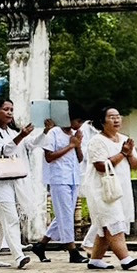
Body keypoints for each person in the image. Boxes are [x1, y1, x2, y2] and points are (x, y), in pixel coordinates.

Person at [79, 105, 137, 270]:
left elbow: (135, 164)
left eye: (118, 116)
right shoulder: (96, 141)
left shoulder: (124, 139)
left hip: (121, 189)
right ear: (102, 121)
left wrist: (128, 152)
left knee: (106, 225)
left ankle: (95, 259)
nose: (116, 119)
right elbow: (100, 166)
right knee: (113, 222)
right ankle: (125, 259)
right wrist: (123, 153)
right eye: (111, 117)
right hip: (102, 189)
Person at [0, 98, 35, 269]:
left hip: (13, 179)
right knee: (10, 219)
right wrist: (21, 136)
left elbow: (31, 145)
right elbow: (1, 151)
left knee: (0, 222)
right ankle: (18, 256)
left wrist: (45, 131)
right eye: (5, 109)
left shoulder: (11, 131)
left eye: (11, 109)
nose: (9, 112)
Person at [35, 112, 87, 263]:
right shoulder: (54, 133)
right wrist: (70, 145)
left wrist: (77, 144)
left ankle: (41, 244)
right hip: (58, 178)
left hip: (73, 177)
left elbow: (80, 158)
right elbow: (49, 157)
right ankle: (72, 250)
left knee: (65, 213)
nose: (79, 125)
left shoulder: (74, 134)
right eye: (77, 120)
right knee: (66, 215)